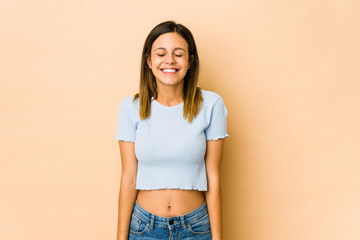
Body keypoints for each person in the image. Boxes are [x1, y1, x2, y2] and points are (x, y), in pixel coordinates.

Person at [115, 20, 229, 240]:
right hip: (144, 228)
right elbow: (128, 177)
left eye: (179, 54)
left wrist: (217, 238)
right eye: (161, 53)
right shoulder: (129, 108)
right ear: (148, 61)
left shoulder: (212, 105)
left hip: (196, 227)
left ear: (190, 61)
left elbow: (213, 177)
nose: (170, 60)